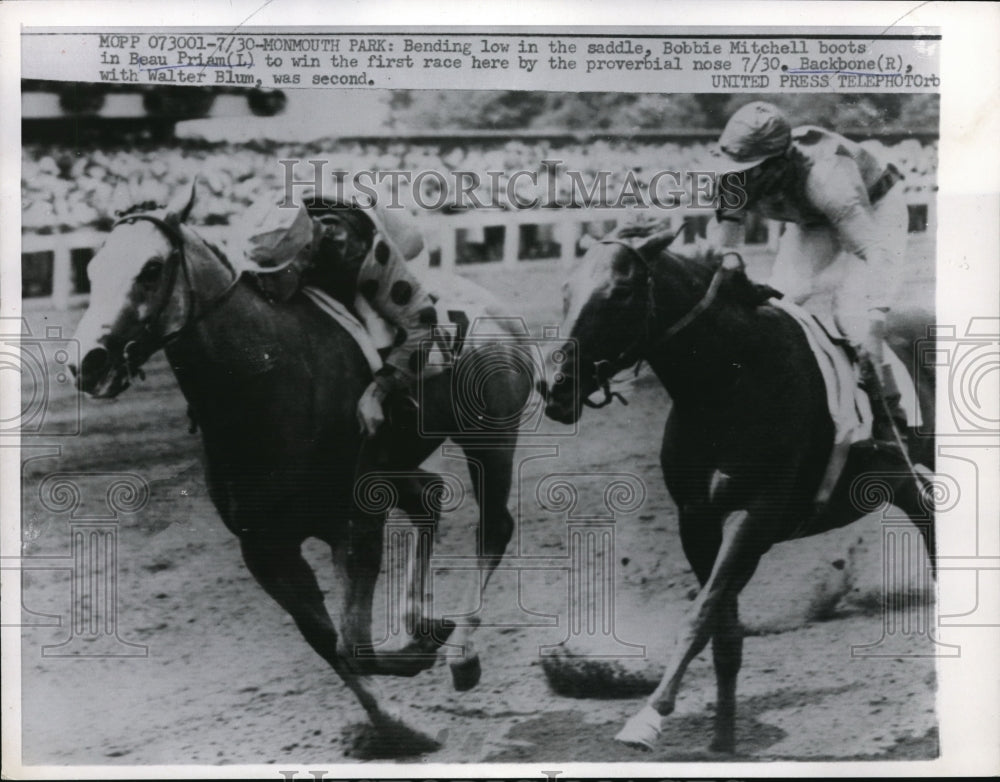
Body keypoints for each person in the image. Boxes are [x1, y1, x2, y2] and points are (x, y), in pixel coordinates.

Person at [707, 100, 909, 454]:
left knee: (852, 315)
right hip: (812, 218)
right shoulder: (737, 174)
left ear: (779, 161)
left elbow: (878, 252)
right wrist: (729, 262)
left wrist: (876, 321)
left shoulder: (827, 178)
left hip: (874, 207)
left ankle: (897, 415)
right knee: (780, 301)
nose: (737, 178)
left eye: (749, 169)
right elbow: (726, 240)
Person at [238, 192, 439, 441]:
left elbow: (422, 320)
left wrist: (378, 390)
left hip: (400, 243)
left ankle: (396, 413)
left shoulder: (364, 255)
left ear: (303, 254)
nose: (264, 285)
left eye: (274, 275)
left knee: (376, 330)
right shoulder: (271, 238)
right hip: (335, 224)